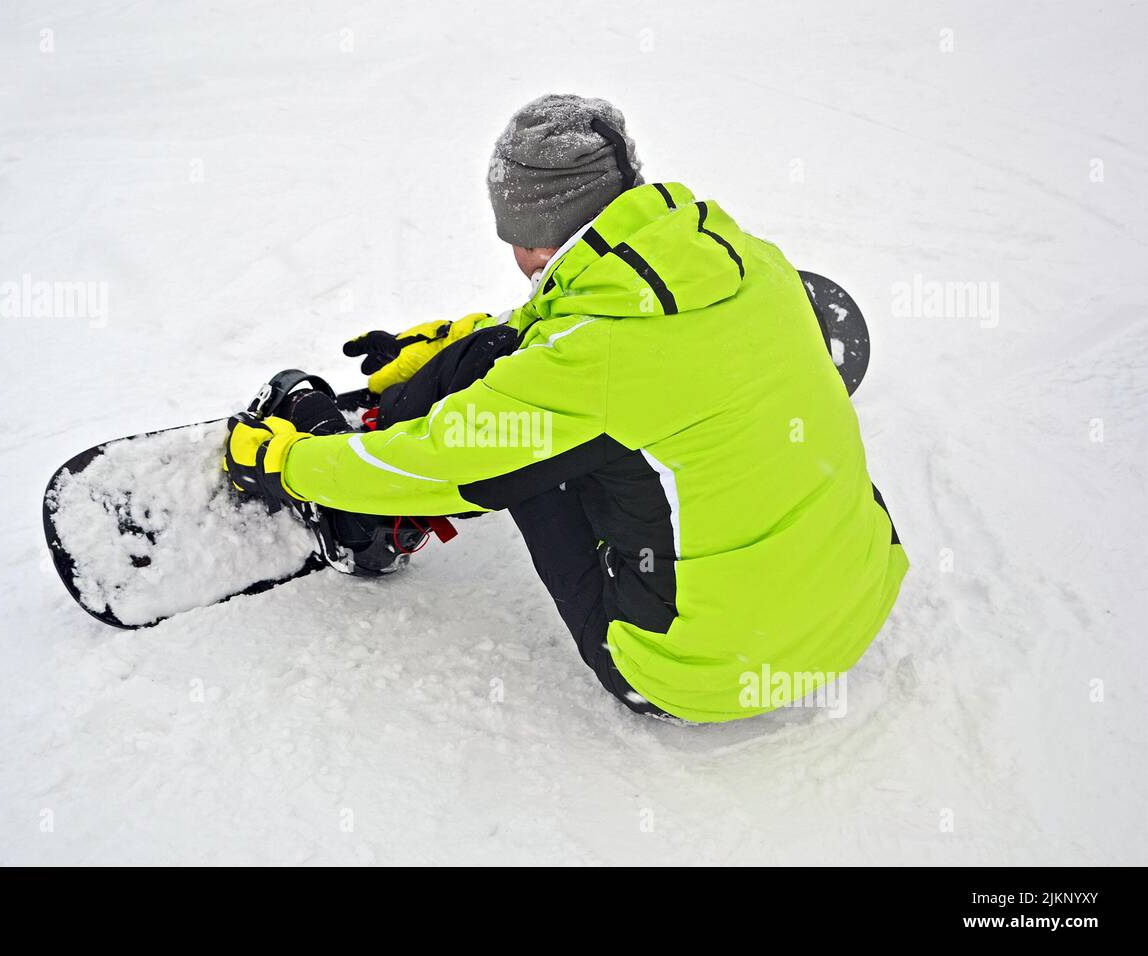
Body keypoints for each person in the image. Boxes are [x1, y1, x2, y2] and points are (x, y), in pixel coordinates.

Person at [223, 93, 908, 722]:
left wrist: (291, 463)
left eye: (514, 242)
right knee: (571, 399)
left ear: (536, 236)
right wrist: (463, 337)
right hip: (860, 605)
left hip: (695, 674)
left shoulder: (590, 363)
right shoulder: (753, 260)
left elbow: (436, 463)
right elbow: (599, 325)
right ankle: (467, 382)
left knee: (514, 450)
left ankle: (359, 528)